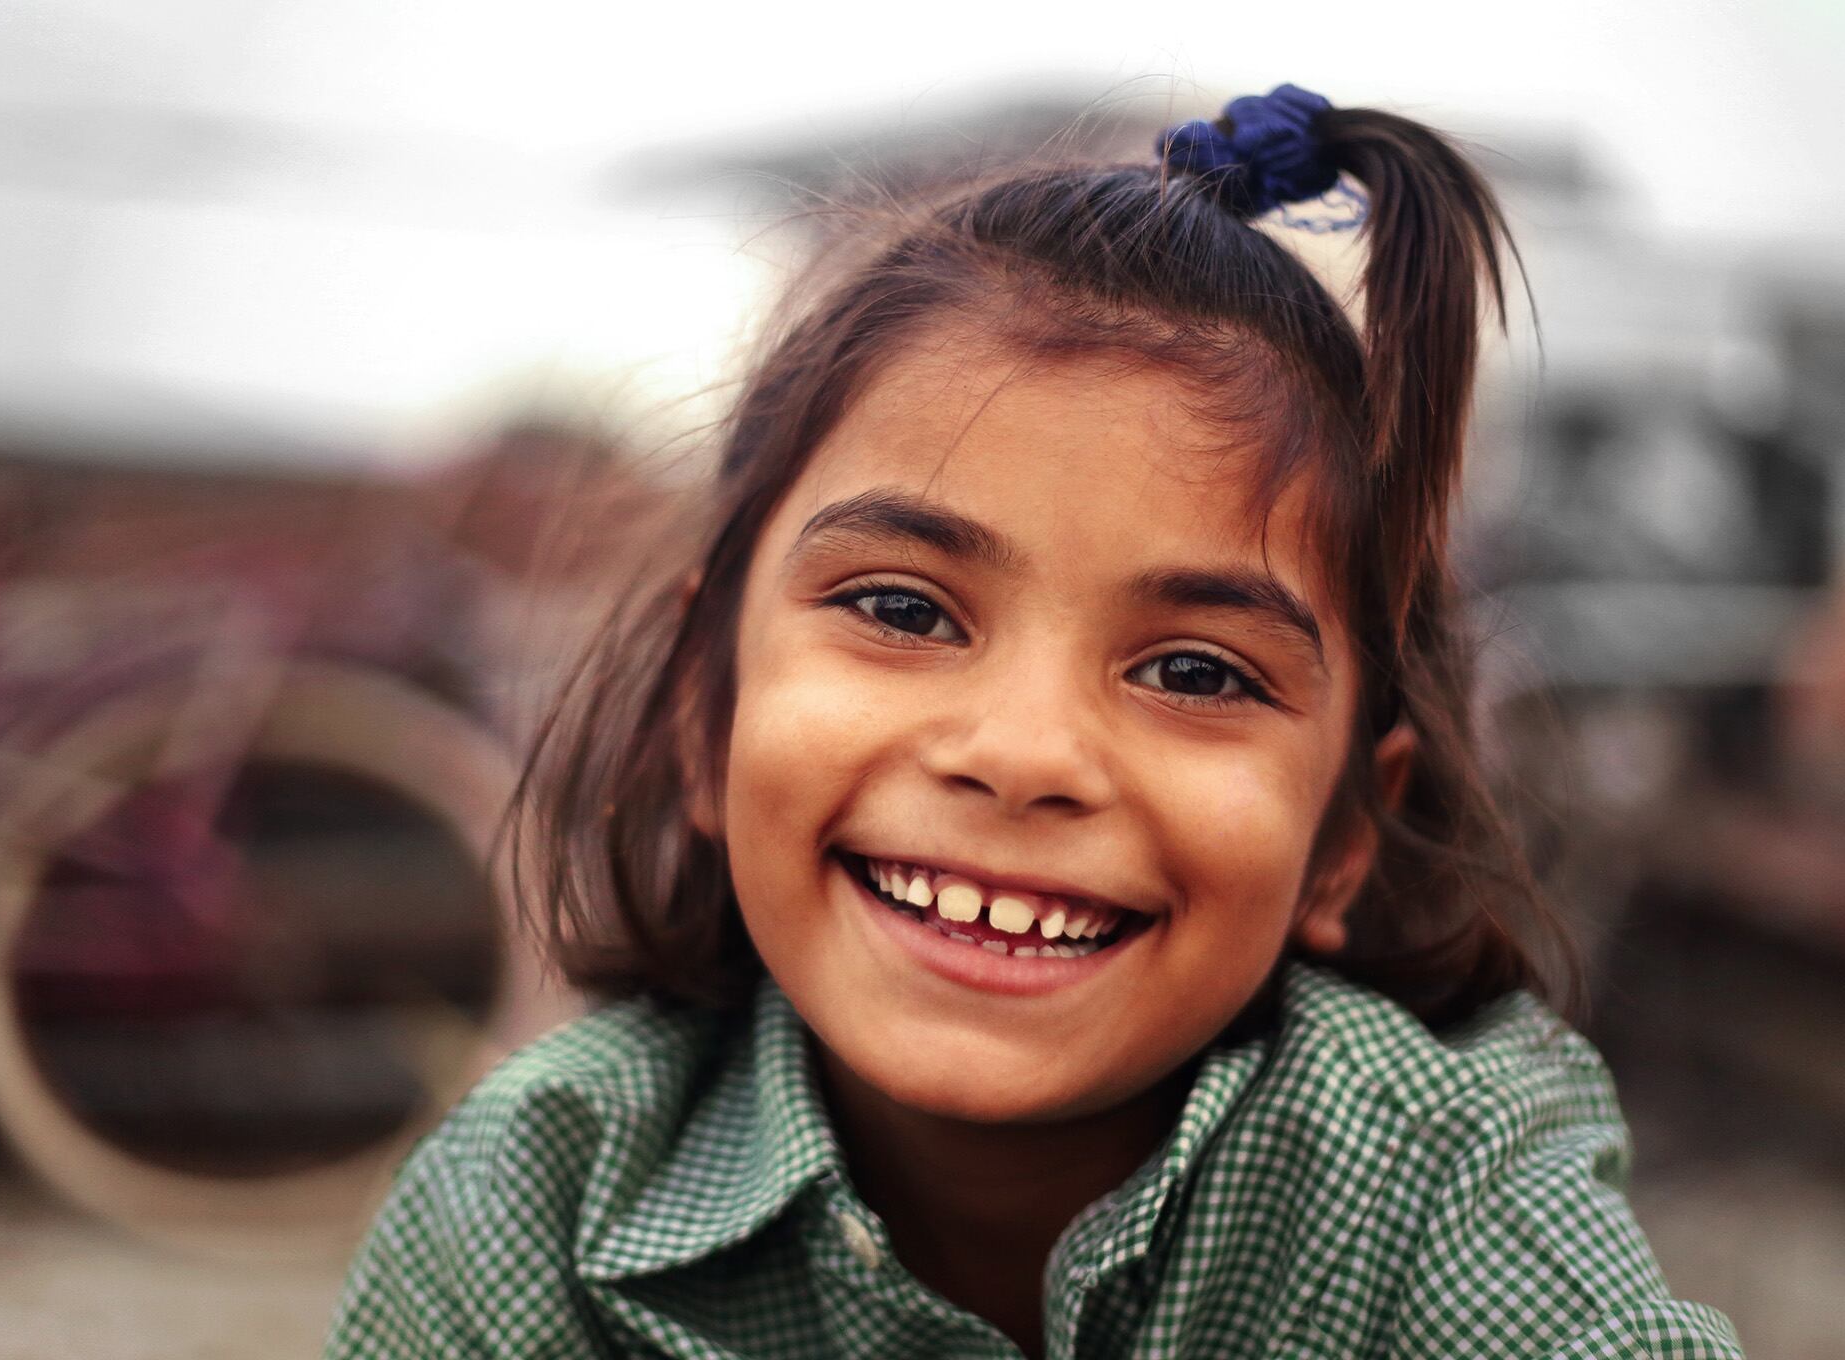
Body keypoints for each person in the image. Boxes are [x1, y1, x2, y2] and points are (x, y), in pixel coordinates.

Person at [324, 83, 1745, 1359]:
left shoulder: (1438, 1188)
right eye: (902, 609)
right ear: (707, 709)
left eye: (1197, 674)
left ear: (1342, 840)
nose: (1022, 755)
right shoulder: (532, 1212)